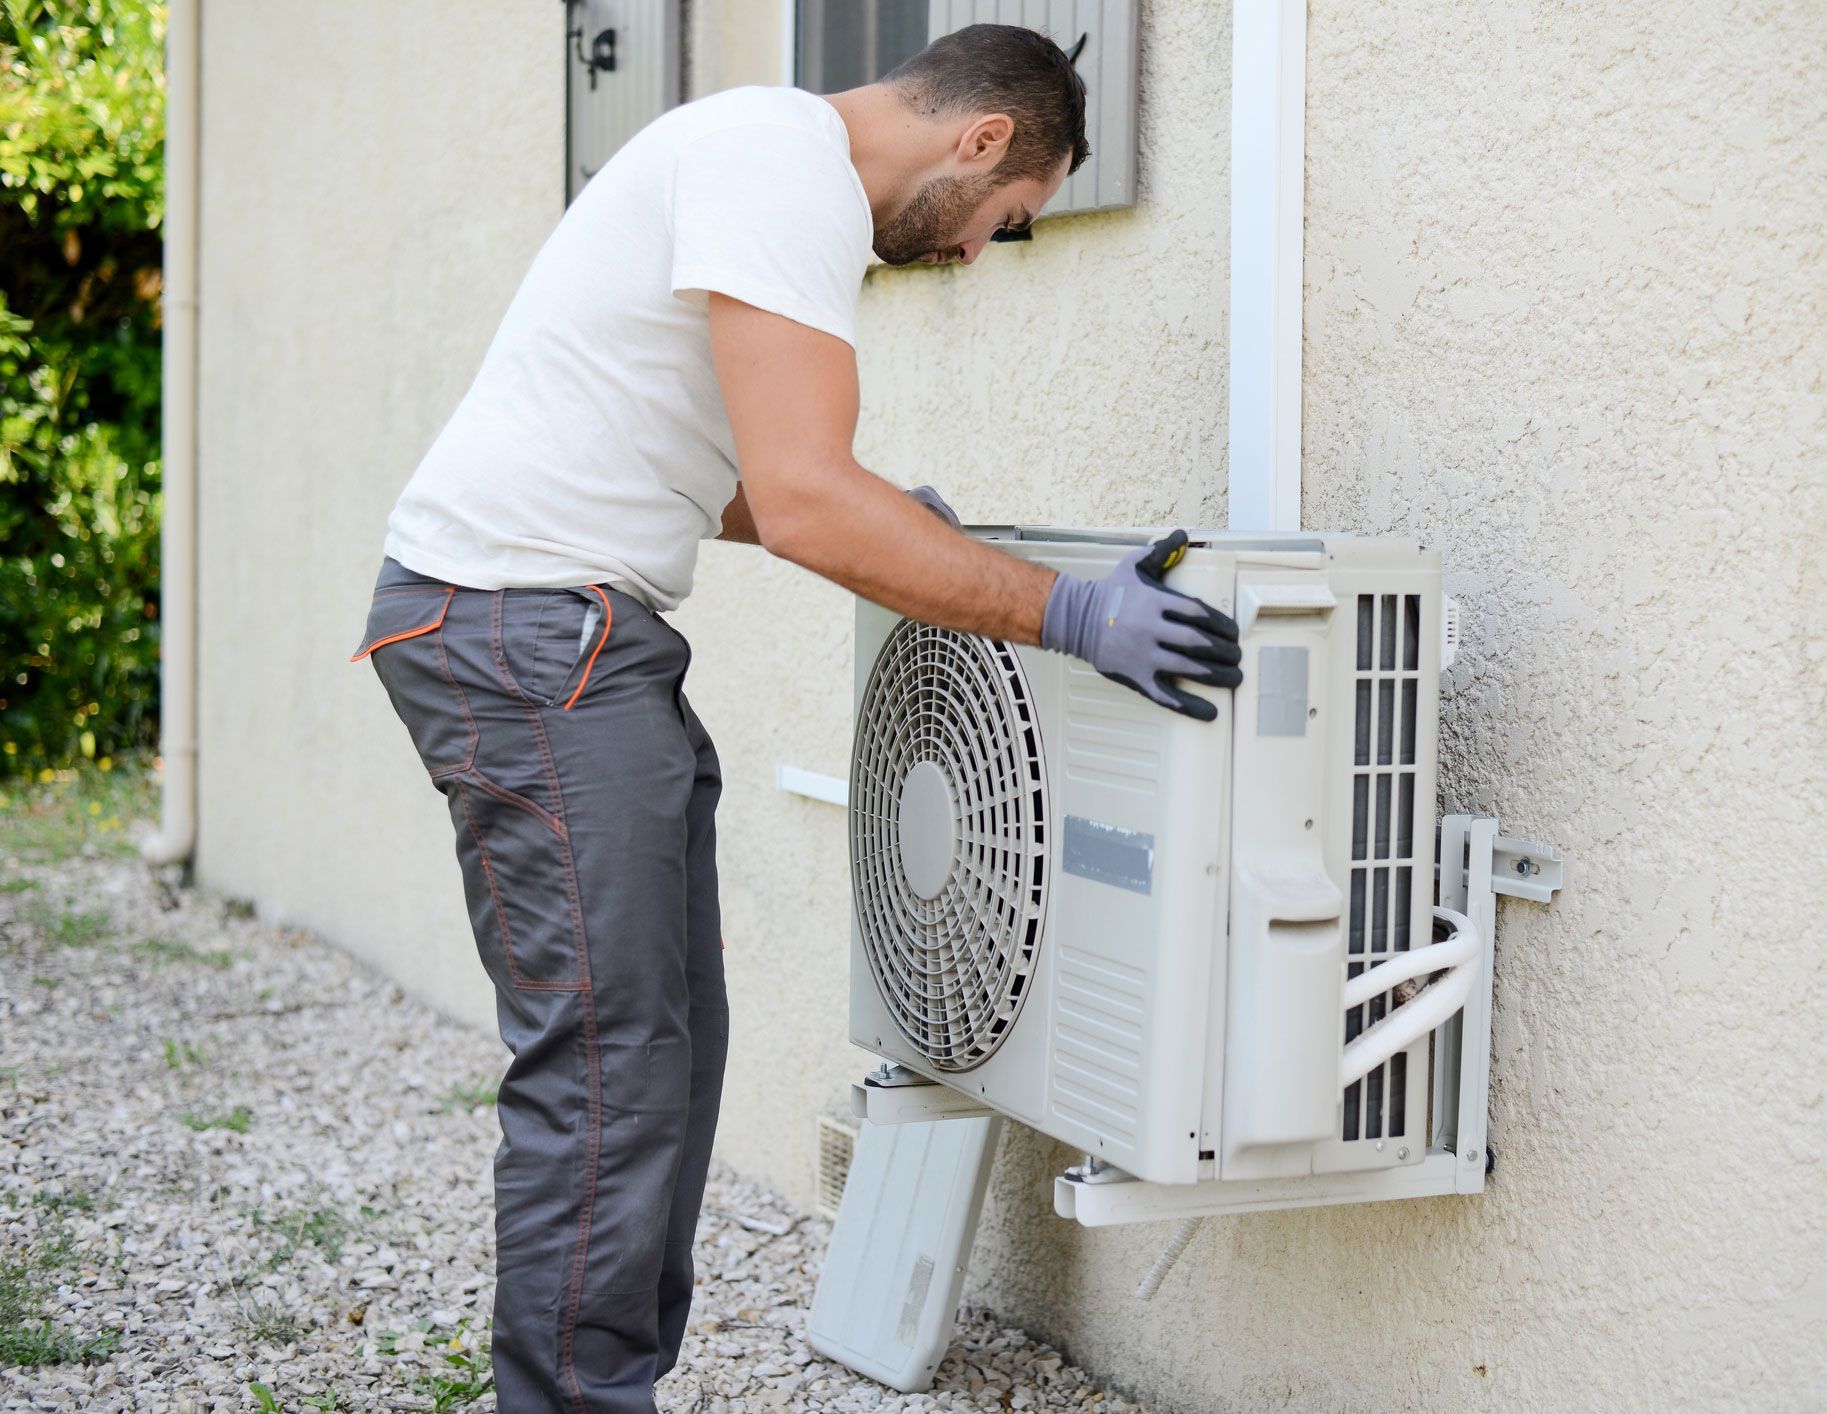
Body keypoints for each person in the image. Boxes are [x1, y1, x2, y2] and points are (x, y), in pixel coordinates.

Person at [349, 23, 1241, 1412]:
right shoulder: (786, 171)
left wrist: (902, 533)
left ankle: (604, 1384)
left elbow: (711, 477)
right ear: (982, 140)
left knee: (667, 1045)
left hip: (553, 631)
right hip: (532, 638)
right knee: (611, 1065)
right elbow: (815, 498)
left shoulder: (753, 159)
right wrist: (1070, 612)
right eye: (1005, 228)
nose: (970, 258)